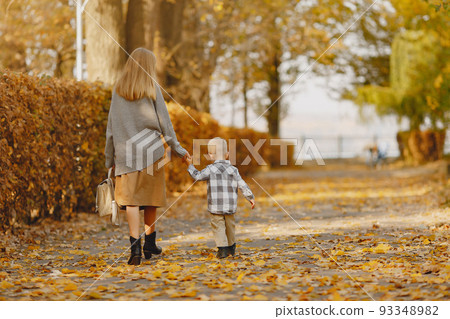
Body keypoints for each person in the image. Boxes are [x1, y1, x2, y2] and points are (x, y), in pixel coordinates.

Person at [105, 48, 191, 266]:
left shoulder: (118, 90)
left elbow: (111, 129)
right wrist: (179, 149)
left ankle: (135, 249)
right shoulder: (153, 89)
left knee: (131, 202)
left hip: (126, 154)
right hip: (152, 152)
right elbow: (165, 125)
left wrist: (109, 159)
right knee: (150, 199)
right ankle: (150, 243)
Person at [186, 137, 255, 258]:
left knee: (218, 226)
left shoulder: (210, 169)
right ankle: (231, 247)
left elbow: (197, 176)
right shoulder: (233, 170)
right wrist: (250, 197)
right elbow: (242, 184)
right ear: (227, 155)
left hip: (215, 206)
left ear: (211, 155)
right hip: (230, 206)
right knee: (230, 227)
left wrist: (190, 165)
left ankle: (222, 249)